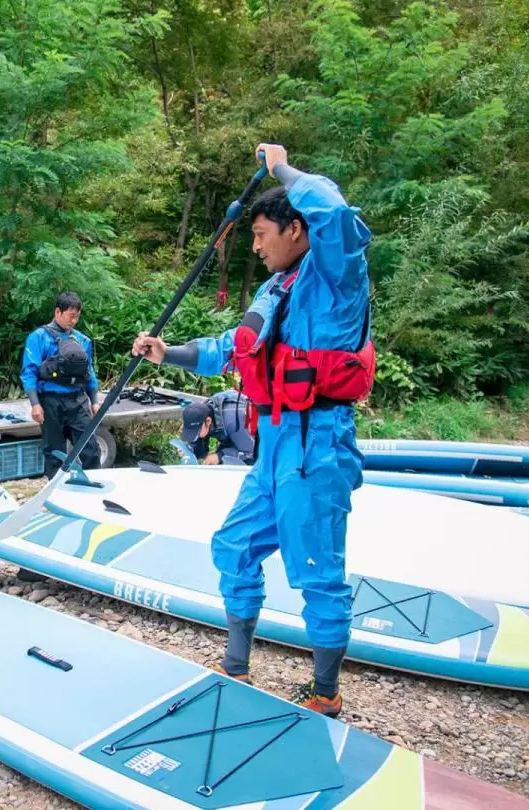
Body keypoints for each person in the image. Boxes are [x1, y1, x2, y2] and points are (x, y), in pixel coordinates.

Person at [133, 143, 374, 717]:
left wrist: (283, 170)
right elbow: (229, 351)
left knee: (317, 567)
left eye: (263, 234)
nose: (257, 244)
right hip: (272, 446)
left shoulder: (335, 275)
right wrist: (169, 352)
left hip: (317, 444)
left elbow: (336, 215)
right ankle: (235, 667)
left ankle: (326, 692)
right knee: (234, 547)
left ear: (296, 229)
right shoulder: (275, 287)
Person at [21, 292, 102, 478]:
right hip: (51, 402)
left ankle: (96, 488)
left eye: (77, 317)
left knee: (90, 449)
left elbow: (89, 372)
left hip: (78, 400)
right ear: (58, 312)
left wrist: (95, 401)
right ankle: (56, 494)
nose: (74, 321)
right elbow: (29, 372)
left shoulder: (83, 340)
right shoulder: (38, 337)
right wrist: (35, 404)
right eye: (70, 316)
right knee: (54, 454)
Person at [180, 391, 256, 466]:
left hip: (255, 439)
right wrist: (189, 450)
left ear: (208, 421)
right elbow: (197, 442)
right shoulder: (201, 413)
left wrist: (220, 456)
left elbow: (251, 451)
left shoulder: (234, 421)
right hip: (231, 433)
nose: (195, 434)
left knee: (230, 461)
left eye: (196, 431)